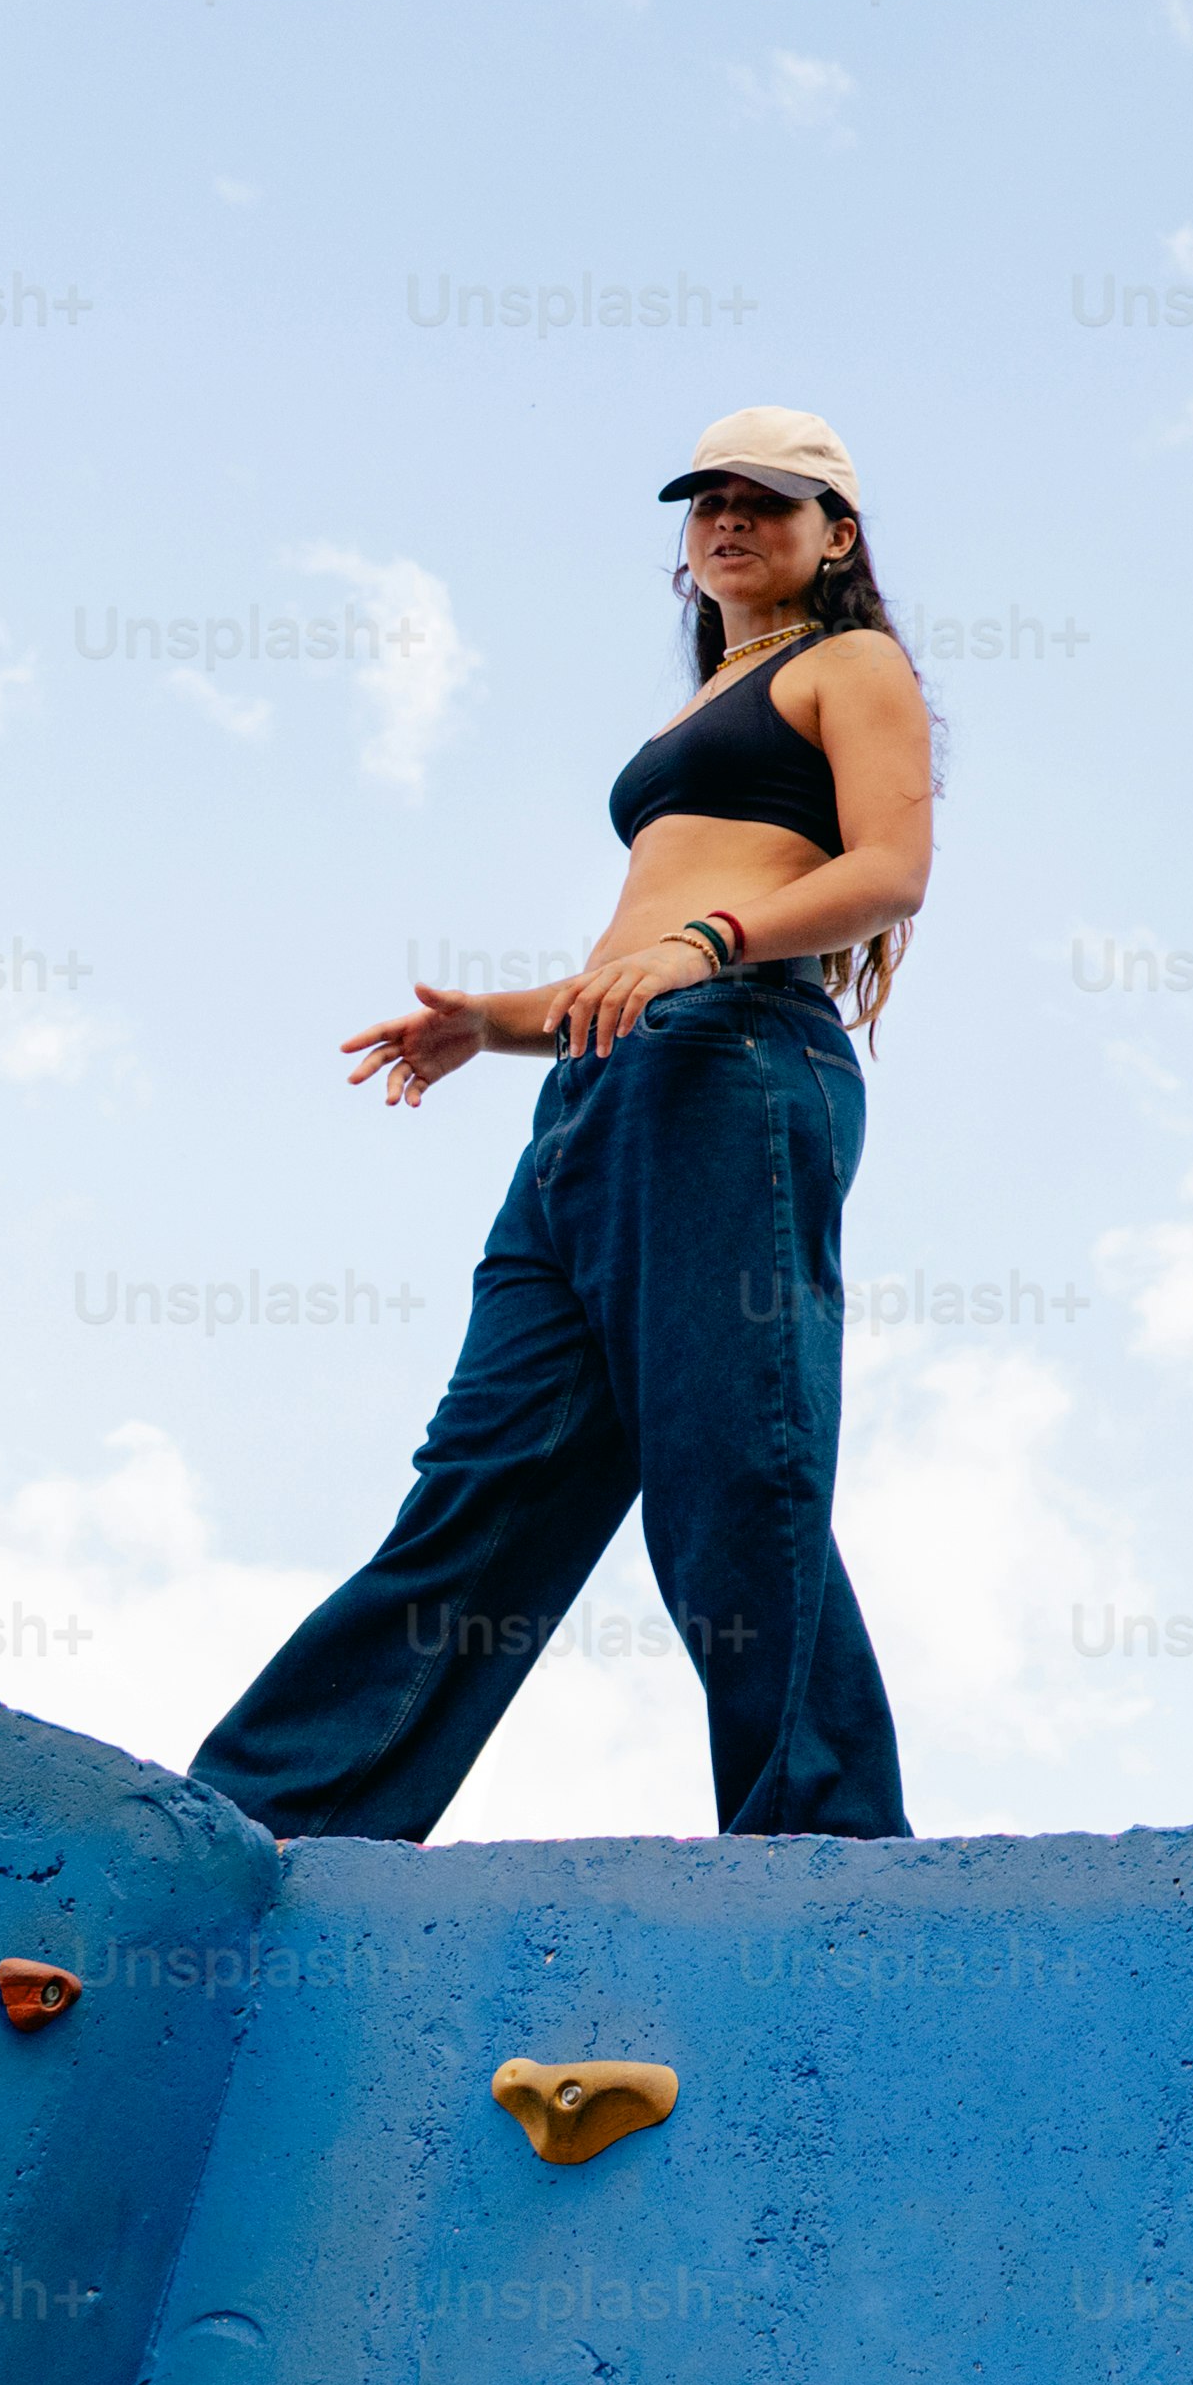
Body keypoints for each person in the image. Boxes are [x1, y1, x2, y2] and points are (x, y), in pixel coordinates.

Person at [190, 408, 926, 1842]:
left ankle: (823, 1850)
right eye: (708, 498)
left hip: (732, 1056)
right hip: (599, 1086)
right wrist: (492, 1021)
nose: (729, 519)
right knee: (488, 1469)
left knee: (734, 1462)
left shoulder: (852, 662)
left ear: (833, 532)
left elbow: (890, 868)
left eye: (768, 502)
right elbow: (627, 955)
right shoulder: (701, 696)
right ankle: (272, 1815)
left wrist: (710, 940)